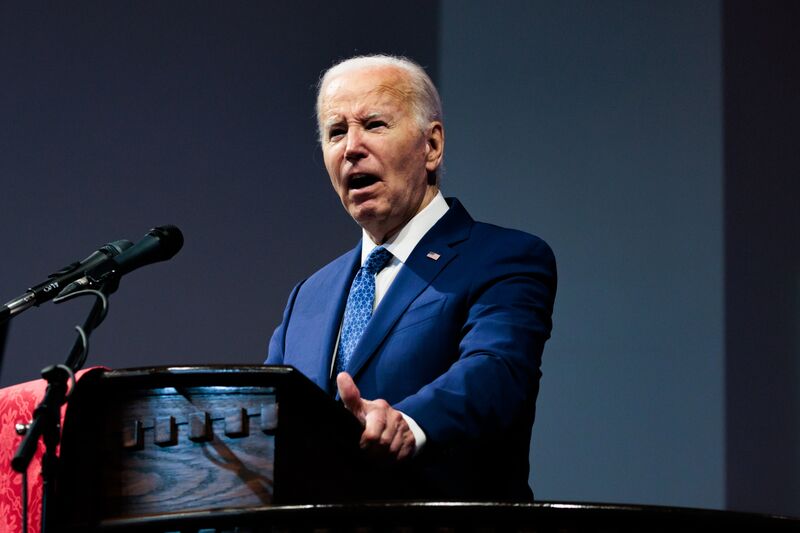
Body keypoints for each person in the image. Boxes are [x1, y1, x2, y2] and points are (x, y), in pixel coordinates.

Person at [266, 54, 556, 501]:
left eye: (375, 124)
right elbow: (268, 419)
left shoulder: (505, 259)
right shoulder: (309, 296)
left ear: (432, 146)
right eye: (336, 132)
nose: (351, 148)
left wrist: (409, 424)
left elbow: (494, 371)